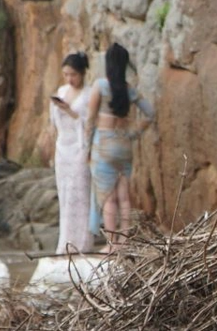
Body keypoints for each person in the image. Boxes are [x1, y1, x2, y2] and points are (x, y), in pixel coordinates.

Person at [85, 42, 155, 249]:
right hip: (124, 144)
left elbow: (90, 120)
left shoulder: (100, 86)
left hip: (104, 144)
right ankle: (125, 241)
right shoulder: (129, 90)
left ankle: (112, 243)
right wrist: (134, 133)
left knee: (108, 197)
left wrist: (87, 148)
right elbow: (150, 113)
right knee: (124, 195)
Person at [43, 53, 93, 254]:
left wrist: (69, 110)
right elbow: (53, 121)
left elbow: (89, 122)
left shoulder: (89, 94)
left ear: (82, 73)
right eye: (66, 74)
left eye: (73, 74)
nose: (69, 79)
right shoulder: (62, 90)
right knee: (64, 193)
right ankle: (65, 242)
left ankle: (81, 243)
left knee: (79, 193)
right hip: (63, 146)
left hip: (79, 147)